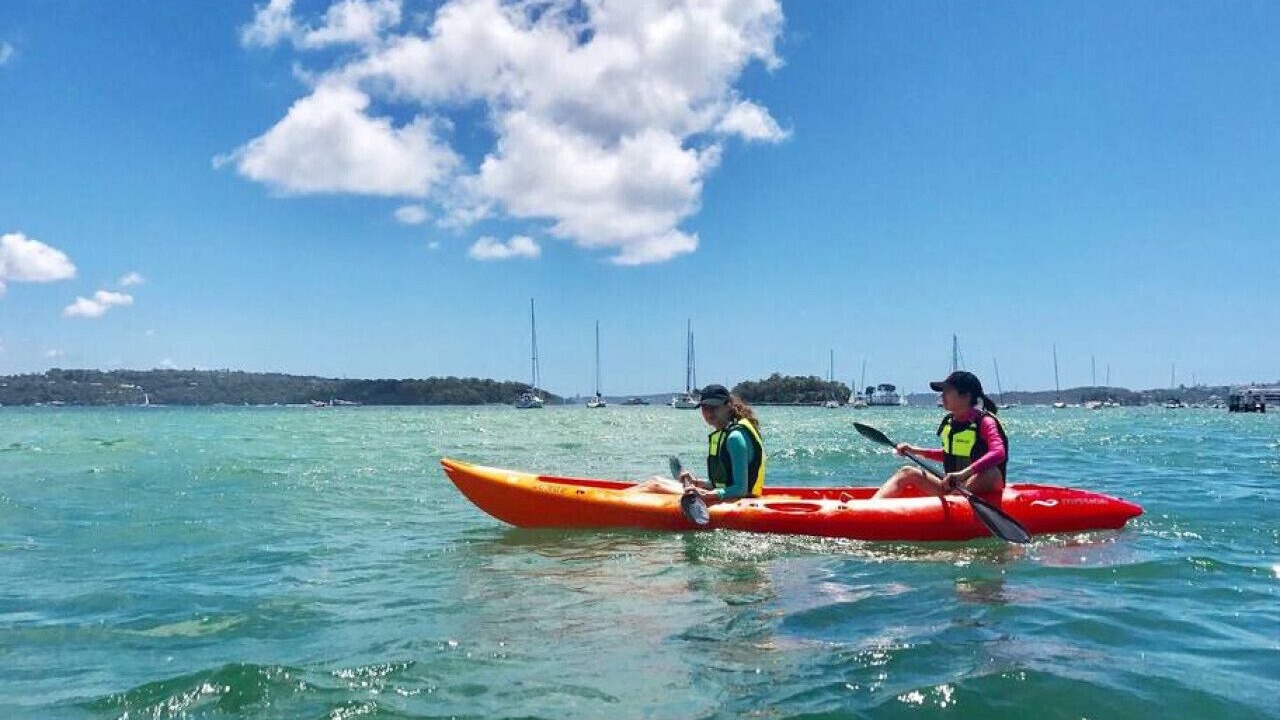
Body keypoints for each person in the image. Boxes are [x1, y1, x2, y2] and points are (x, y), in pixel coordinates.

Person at [872, 371, 1008, 502]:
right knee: (907, 472)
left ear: (966, 396)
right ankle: (867, 509)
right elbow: (949, 455)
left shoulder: (985, 421)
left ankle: (956, 499)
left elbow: (998, 453)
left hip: (982, 485)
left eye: (947, 392)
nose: (942, 396)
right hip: (955, 487)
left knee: (990, 472)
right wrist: (914, 450)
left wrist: (963, 474)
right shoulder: (951, 422)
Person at [630, 384, 767, 503]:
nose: (708, 412)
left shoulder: (735, 438)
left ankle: (611, 502)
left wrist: (706, 494)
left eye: (714, 406)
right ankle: (614, 496)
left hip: (741, 501)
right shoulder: (729, 432)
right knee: (656, 480)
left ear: (728, 406)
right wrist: (697, 483)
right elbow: (726, 483)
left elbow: (740, 489)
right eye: (705, 408)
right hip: (733, 497)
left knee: (655, 485)